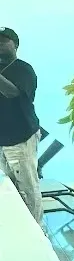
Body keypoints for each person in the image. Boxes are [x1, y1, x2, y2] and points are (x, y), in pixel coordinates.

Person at [0, 27, 43, 224]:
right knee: (9, 187)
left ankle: (37, 231)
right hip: (2, 139)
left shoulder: (23, 69)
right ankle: (19, 228)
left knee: (27, 187)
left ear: (15, 45)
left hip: (20, 138)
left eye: (3, 41)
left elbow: (12, 93)